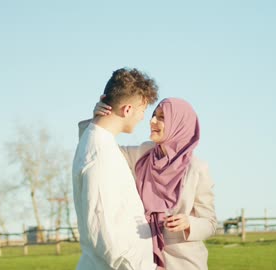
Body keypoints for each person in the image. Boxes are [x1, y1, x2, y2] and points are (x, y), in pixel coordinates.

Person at [79, 97, 217, 270]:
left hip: (184, 263)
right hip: (143, 258)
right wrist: (97, 122)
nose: (152, 121)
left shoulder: (197, 169)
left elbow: (210, 223)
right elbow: (103, 150)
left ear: (178, 125)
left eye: (161, 117)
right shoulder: (144, 153)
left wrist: (189, 223)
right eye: (153, 115)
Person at [72, 68, 159, 270]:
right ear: (127, 110)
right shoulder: (100, 155)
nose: (142, 117)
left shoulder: (100, 142)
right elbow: (103, 231)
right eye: (142, 110)